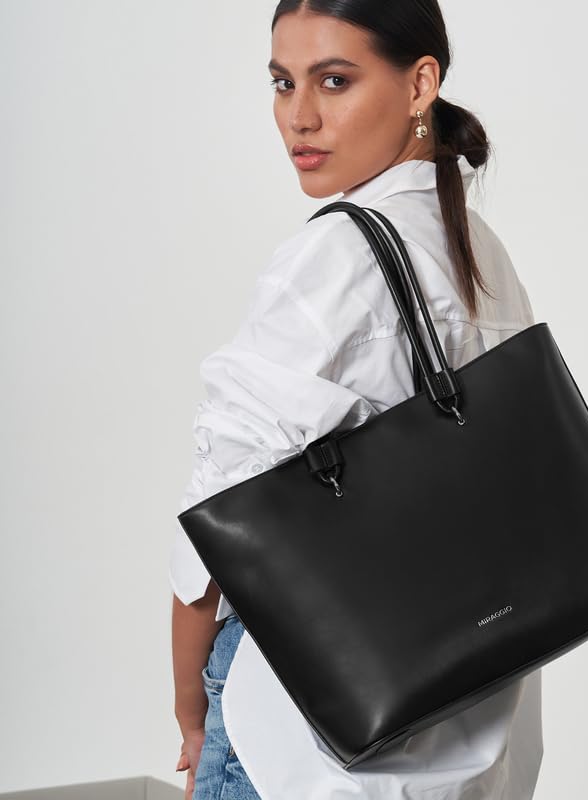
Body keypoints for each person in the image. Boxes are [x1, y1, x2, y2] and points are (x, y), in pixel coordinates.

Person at [170, 1, 544, 798]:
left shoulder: (331, 258)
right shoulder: (480, 252)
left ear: (420, 84)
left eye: (334, 81)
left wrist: (191, 707)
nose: (299, 117)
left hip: (301, 742)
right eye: (283, 83)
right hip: (472, 741)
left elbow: (214, 530)